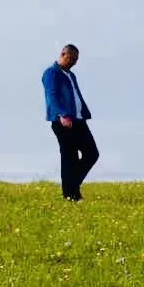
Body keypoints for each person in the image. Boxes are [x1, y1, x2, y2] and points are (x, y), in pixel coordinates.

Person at [42, 44, 98, 201]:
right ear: (63, 54)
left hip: (78, 120)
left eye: (76, 59)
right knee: (69, 156)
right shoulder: (51, 73)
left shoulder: (71, 75)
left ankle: (71, 186)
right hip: (63, 121)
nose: (73, 62)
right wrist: (62, 114)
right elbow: (51, 96)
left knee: (92, 153)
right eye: (71, 58)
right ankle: (71, 194)